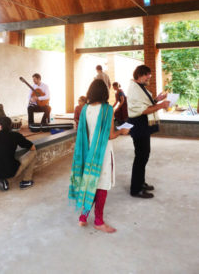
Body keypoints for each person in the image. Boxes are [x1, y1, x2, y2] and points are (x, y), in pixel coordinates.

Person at [69, 79, 129, 233]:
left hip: (87, 153)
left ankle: (83, 217)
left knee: (90, 183)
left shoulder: (85, 109)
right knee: (102, 186)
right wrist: (122, 131)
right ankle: (98, 221)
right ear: (104, 93)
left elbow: (83, 133)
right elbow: (110, 135)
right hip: (101, 154)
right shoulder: (107, 109)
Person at [127, 65, 170, 199]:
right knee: (141, 157)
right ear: (139, 75)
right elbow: (142, 110)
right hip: (139, 126)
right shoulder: (134, 89)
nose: (149, 77)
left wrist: (157, 99)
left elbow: (146, 104)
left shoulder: (139, 87)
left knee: (144, 155)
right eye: (147, 75)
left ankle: (141, 182)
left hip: (142, 126)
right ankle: (136, 189)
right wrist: (161, 106)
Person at [0, 116, 37, 191]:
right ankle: (26, 181)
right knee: (34, 153)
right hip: (12, 171)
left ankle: (5, 181)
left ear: (0, 126)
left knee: (4, 163)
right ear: (11, 126)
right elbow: (32, 148)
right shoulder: (15, 135)